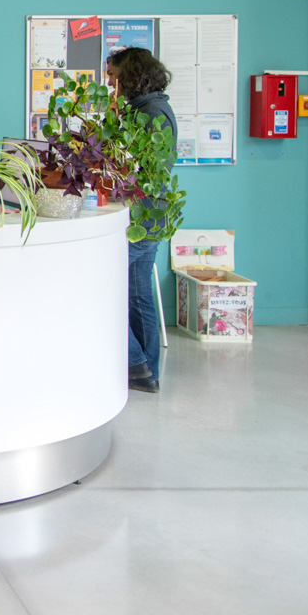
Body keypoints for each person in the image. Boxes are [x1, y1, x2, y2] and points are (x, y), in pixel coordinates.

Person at [106, 47, 178, 394]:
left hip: (141, 220)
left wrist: (112, 120)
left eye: (113, 76)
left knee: (103, 289)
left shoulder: (149, 114)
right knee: (138, 296)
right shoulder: (151, 108)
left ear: (129, 76)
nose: (109, 83)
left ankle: (136, 364)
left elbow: (128, 167)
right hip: (150, 217)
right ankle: (147, 374)